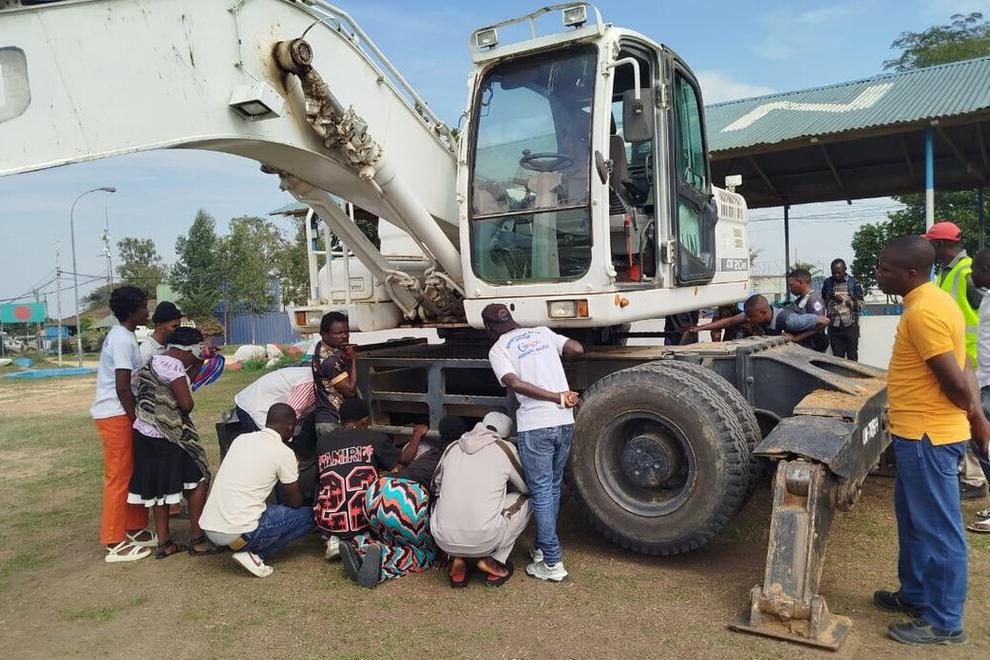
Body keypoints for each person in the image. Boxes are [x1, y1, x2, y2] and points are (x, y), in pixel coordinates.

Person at [872, 235, 990, 646]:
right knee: (914, 520)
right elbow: (966, 363)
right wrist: (976, 416)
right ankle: (916, 594)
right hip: (916, 435)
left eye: (884, 268)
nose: (878, 274)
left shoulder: (924, 312)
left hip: (928, 437)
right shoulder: (933, 301)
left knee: (938, 528)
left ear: (910, 273)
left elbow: (956, 382)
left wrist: (974, 414)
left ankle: (944, 622)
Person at [483, 303, 583, 582]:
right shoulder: (542, 332)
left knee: (541, 491)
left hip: (536, 425)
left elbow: (513, 383)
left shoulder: (498, 349)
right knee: (552, 487)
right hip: (564, 421)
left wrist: (554, 396)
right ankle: (540, 547)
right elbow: (576, 349)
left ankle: (552, 562)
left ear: (488, 327)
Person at [340, 416, 468, 588]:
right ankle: (382, 564)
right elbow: (447, 504)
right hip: (408, 497)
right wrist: (446, 552)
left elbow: (405, 460)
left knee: (393, 539)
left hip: (378, 489)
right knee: (423, 556)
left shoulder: (429, 452)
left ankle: (360, 546)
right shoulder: (455, 460)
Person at [128, 327, 221, 558]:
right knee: (198, 478)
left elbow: (186, 380)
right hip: (167, 435)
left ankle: (164, 542)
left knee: (158, 487)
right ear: (185, 349)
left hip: (144, 431)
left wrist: (199, 360)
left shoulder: (155, 360)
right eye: (197, 350)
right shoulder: (175, 366)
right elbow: (186, 404)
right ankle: (197, 540)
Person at [200, 404, 314, 577]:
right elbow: (295, 502)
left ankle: (242, 546)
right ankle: (254, 553)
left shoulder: (241, 439)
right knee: (311, 515)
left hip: (211, 528)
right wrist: (294, 472)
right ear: (290, 427)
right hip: (239, 531)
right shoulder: (284, 453)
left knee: (268, 510)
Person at [923, 220, 989, 501]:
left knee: (974, 419)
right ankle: (968, 475)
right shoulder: (948, 272)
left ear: (940, 244)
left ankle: (974, 479)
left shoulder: (968, 273)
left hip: (972, 362)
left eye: (930, 243)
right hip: (959, 358)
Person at [90, 286, 154, 563]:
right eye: (143, 306)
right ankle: (114, 541)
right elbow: (122, 387)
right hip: (117, 414)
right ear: (131, 311)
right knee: (118, 477)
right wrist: (136, 420)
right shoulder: (121, 340)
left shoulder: (126, 336)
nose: (147, 311)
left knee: (134, 472)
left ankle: (134, 527)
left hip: (124, 412)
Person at [430, 412, 530, 588]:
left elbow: (434, 486)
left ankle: (457, 558)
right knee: (527, 499)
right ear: (506, 435)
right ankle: (494, 560)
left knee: (440, 500)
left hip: (443, 539)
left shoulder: (453, 446)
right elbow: (526, 486)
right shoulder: (504, 447)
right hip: (485, 539)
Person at [313, 398, 400, 561]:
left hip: (330, 520)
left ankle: (333, 538)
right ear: (364, 421)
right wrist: (417, 435)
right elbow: (402, 460)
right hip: (363, 518)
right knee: (388, 480)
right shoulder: (374, 437)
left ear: (341, 420)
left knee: (323, 483)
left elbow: (318, 478)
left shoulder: (323, 441)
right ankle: (364, 537)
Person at [965, 249, 990, 533]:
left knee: (984, 442)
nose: (971, 275)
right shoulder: (986, 297)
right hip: (983, 378)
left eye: (975, 270)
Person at [690, 294, 829, 344]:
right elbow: (730, 321)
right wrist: (699, 328)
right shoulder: (754, 314)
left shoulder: (789, 320)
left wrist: (796, 338)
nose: (748, 320)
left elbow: (825, 321)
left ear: (763, 312)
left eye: (751, 317)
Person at [312, 311, 358, 440]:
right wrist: (353, 360)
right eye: (338, 333)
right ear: (324, 334)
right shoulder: (330, 360)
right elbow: (350, 391)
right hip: (332, 421)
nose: (344, 336)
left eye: (346, 332)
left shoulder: (320, 348)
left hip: (325, 420)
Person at [233, 366, 314, 433]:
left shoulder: (309, 374)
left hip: (249, 400)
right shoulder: (310, 383)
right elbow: (290, 414)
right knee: (269, 443)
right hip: (256, 410)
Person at [821, 258, 864, 360]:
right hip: (834, 326)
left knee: (852, 356)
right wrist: (831, 298)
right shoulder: (828, 282)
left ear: (845, 269)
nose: (836, 275)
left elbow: (861, 303)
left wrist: (847, 301)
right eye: (833, 273)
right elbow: (823, 300)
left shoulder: (854, 282)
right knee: (837, 358)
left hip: (850, 325)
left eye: (839, 272)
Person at [786, 269, 828, 352]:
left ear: (800, 282)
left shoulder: (814, 300)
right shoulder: (801, 299)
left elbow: (820, 325)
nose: (790, 289)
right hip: (804, 346)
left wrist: (796, 338)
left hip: (813, 346)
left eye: (791, 285)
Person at [139, 301, 184, 366]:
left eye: (179, 326)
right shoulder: (146, 352)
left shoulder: (173, 346)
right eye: (174, 326)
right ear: (159, 325)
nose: (179, 330)